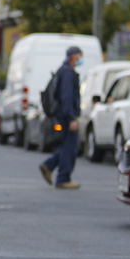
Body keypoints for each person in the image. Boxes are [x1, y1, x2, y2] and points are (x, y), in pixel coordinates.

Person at [38, 47, 83, 189]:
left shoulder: (63, 71)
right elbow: (67, 97)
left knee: (67, 145)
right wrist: (71, 118)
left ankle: (49, 166)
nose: (80, 59)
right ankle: (63, 178)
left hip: (62, 115)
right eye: (79, 56)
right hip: (66, 116)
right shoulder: (68, 73)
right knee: (70, 146)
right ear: (72, 56)